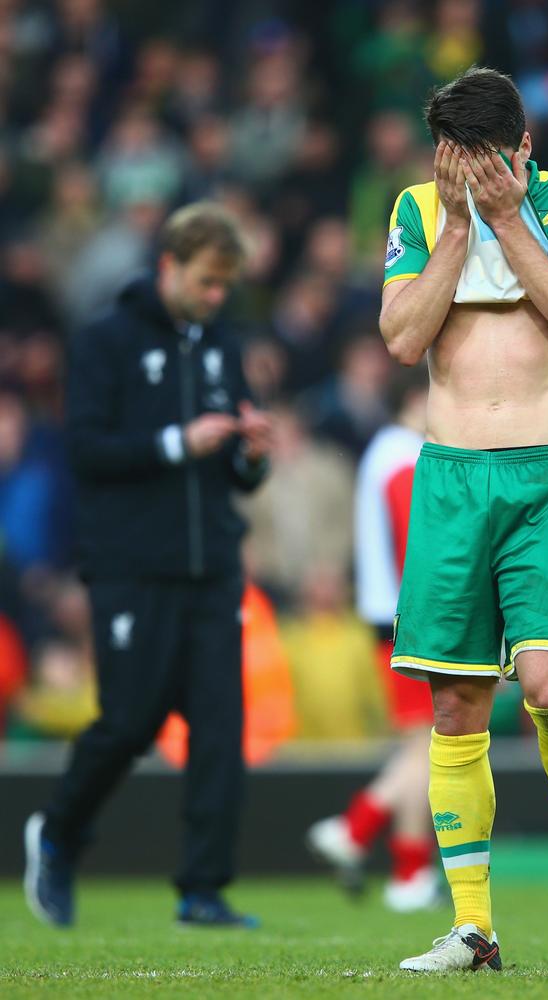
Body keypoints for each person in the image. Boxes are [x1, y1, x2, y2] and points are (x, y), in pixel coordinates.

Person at [379, 67, 548, 973]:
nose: (469, 178)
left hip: (545, 476)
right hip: (449, 481)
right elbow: (403, 340)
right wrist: (453, 226)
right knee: (453, 704)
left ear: (522, 147)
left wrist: (509, 218)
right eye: (455, 162)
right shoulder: (416, 210)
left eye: (485, 161)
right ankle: (474, 928)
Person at [23, 201, 272, 928]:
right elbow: (86, 450)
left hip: (212, 565)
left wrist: (249, 456)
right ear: (170, 265)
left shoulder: (223, 343)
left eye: (226, 286)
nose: (216, 298)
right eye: (206, 282)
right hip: (133, 564)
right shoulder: (106, 340)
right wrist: (174, 443)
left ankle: (202, 889)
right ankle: (60, 834)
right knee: (130, 721)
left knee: (221, 730)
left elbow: (232, 470)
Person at [306, 370, 443, 912]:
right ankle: (355, 828)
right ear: (417, 397)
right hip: (410, 618)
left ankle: (410, 875)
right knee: (429, 748)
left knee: (422, 748)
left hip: (388, 616)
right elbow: (414, 540)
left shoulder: (384, 452)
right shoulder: (404, 455)